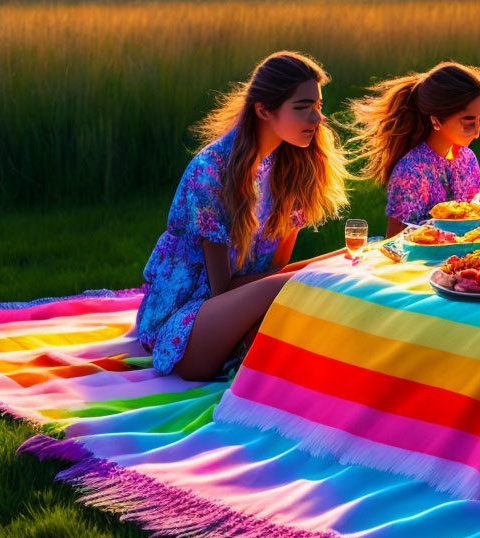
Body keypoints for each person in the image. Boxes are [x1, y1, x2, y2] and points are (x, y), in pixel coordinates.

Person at [136, 51, 349, 381]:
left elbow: (275, 269)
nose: (317, 118)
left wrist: (327, 265)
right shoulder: (210, 174)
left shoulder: (292, 169)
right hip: (189, 319)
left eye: (318, 106)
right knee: (306, 280)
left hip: (246, 309)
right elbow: (223, 292)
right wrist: (305, 275)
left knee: (335, 273)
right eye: (303, 107)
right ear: (264, 110)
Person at [345, 61, 480, 237]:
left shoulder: (467, 158)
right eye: (468, 122)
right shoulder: (411, 171)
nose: (477, 132)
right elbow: (394, 242)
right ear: (436, 120)